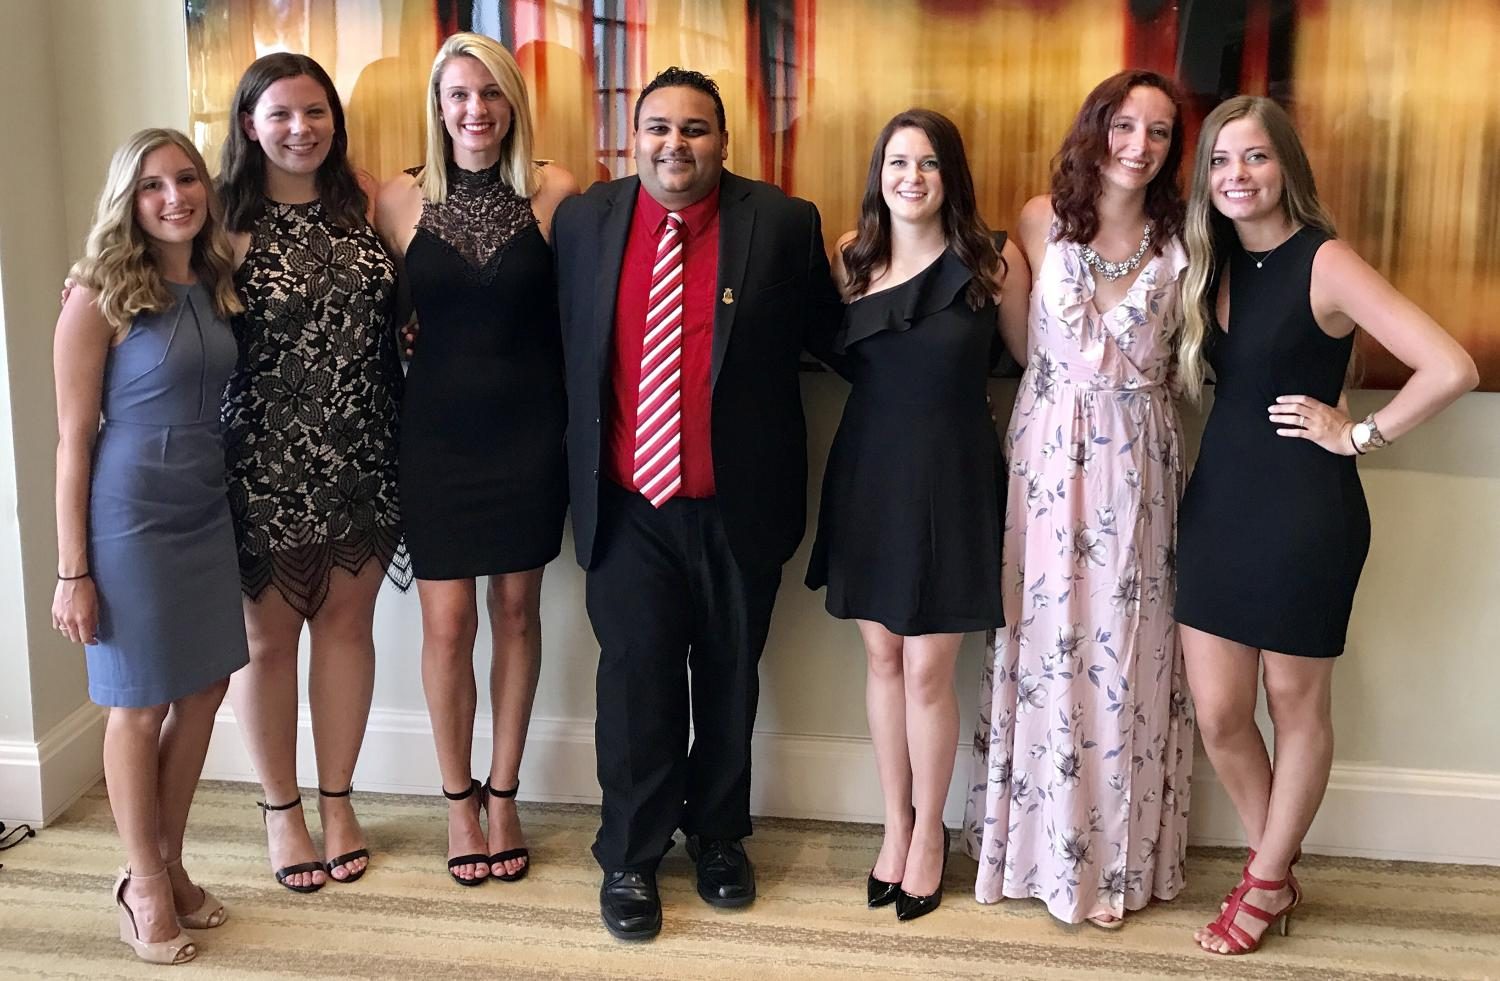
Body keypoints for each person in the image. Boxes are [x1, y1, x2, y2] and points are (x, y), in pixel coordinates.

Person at [1174, 95, 1477, 955]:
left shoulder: (1326, 261)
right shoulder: (1211, 263)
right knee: (1220, 711)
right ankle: (1277, 861)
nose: (1238, 175)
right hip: (1220, 504)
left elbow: (1449, 364)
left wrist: (1360, 432)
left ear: (1286, 170)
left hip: (1306, 508)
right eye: (1223, 161)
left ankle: (1265, 880)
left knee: (1292, 701)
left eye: (1256, 158)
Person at [551, 66, 841, 940]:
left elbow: (831, 335)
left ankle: (718, 835)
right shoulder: (586, 221)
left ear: (724, 142)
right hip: (626, 500)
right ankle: (631, 855)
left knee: (728, 677)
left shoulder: (781, 224)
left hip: (737, 502)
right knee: (635, 682)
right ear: (631, 137)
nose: (675, 144)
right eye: (658, 128)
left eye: (695, 129)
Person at [962, 69, 1196, 929]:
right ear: (1095, 128)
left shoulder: (1185, 242)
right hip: (1049, 461)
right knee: (1048, 649)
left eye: (1160, 132)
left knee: (1129, 655)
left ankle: (1116, 862)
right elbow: (1027, 348)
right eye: (1123, 125)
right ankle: (1036, 849)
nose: (1138, 146)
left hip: (1140, 467)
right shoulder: (1037, 220)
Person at [805, 109, 1024, 921]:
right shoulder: (850, 260)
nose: (912, 177)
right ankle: (893, 824)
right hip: (869, 472)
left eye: (929, 163)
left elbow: (1039, 366)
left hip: (956, 476)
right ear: (879, 172)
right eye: (898, 162)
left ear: (950, 176)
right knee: (883, 658)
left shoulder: (992, 264)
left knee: (930, 667)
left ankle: (931, 832)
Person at [373, 32, 577, 886]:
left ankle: (505, 789)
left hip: (531, 431)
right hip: (438, 435)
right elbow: (366, 305)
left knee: (519, 615)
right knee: (447, 624)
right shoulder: (398, 197)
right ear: (437, 104)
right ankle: (458, 800)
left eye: (490, 94)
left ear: (513, 103)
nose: (475, 111)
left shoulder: (556, 192)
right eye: (459, 95)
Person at [52, 128, 248, 964]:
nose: (175, 197)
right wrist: (73, 571)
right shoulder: (97, 293)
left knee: (203, 689)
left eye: (187, 179)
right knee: (136, 703)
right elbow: (72, 439)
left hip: (205, 506)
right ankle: (141, 880)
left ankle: (166, 861)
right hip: (128, 514)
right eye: (152, 186)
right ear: (127, 201)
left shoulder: (216, 278)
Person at [219, 52, 409, 892]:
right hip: (260, 460)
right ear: (250, 126)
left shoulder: (361, 202)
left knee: (347, 630)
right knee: (267, 643)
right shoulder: (222, 221)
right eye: (282, 114)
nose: (301, 128)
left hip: (365, 450)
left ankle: (338, 801)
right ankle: (280, 809)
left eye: (316, 112)